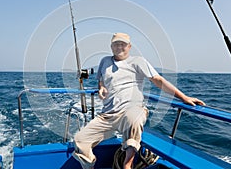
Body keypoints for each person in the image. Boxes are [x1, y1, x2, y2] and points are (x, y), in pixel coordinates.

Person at [73, 33, 206, 169]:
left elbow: (158, 80)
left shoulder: (138, 61)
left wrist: (184, 98)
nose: (119, 47)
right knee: (80, 140)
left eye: (123, 44)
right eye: (116, 44)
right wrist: (101, 88)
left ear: (129, 47)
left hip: (132, 109)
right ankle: (90, 163)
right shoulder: (105, 61)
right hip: (108, 115)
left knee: (133, 119)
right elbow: (101, 81)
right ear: (111, 46)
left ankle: (127, 163)